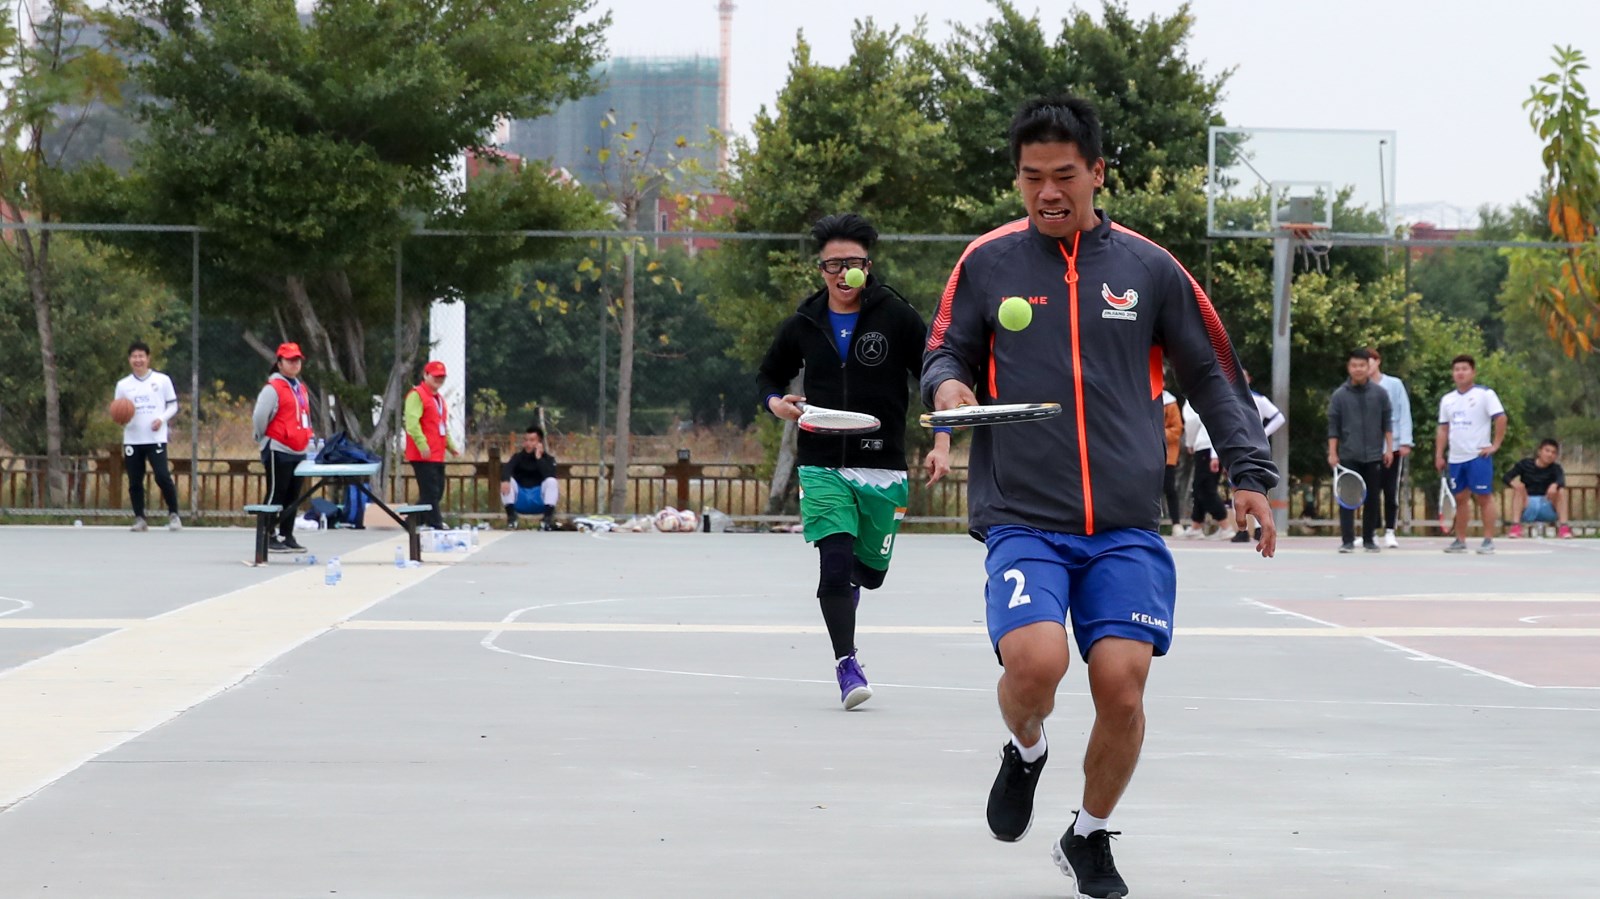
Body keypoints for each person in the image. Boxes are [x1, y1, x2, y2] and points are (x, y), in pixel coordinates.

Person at [920, 95, 1277, 899]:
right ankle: (1027, 748)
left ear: (1097, 173)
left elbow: (1214, 371)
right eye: (1031, 177)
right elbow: (945, 348)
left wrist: (1249, 474)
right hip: (1025, 517)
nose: (1047, 192)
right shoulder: (987, 262)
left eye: (1064, 175)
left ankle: (1088, 832)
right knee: (1036, 665)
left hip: (1123, 525)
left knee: (1122, 685)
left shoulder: (1149, 268)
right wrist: (947, 387)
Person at [757, 212, 952, 711]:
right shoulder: (804, 322)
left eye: (853, 264)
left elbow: (935, 378)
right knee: (833, 563)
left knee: (870, 572)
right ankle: (847, 665)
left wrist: (943, 441)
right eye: (832, 265)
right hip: (821, 461)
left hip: (882, 465)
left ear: (868, 266)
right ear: (820, 269)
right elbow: (769, 376)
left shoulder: (897, 317)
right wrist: (777, 404)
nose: (843, 274)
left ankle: (852, 587)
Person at [1435, 354, 1506, 554]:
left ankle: (1488, 540)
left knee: (1484, 497)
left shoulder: (1485, 395)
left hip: (1478, 456)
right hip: (1456, 457)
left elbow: (1501, 418)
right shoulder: (1447, 400)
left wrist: (1495, 445)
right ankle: (1460, 540)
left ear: (1473, 372)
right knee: (1460, 498)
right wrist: (1439, 454)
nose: (1460, 373)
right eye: (1457, 369)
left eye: (1464, 369)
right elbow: (1443, 429)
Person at [1327, 348, 1394, 553]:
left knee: (1372, 499)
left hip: (1374, 455)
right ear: (1349, 368)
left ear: (1369, 367)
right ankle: (1347, 540)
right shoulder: (1339, 395)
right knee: (1348, 498)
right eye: (1354, 365)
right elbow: (1333, 427)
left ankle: (1369, 539)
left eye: (1362, 365)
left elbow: (1387, 423)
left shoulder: (1380, 394)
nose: (1358, 369)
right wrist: (1333, 452)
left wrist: (1389, 449)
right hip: (1348, 455)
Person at [251, 342, 313, 553]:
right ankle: (268, 534)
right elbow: (260, 416)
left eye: (297, 360)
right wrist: (262, 436)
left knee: (293, 495)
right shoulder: (273, 388)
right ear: (279, 363)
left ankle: (287, 534)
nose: (295, 364)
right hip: (279, 447)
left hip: (298, 449)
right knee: (277, 492)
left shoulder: (300, 388)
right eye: (290, 360)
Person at [114, 341, 182, 532]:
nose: (138, 360)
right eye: (134, 357)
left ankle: (174, 514)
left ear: (148, 358)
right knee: (135, 480)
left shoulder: (162, 380)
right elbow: (118, 410)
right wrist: (121, 418)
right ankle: (140, 518)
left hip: (155, 438)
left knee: (162, 476)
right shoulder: (123, 385)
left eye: (141, 356)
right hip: (133, 439)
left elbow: (173, 405)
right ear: (129, 359)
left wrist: (161, 419)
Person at [404, 360, 461, 530]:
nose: (439, 380)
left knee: (437, 491)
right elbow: (412, 424)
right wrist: (422, 444)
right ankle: (436, 524)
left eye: (442, 377)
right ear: (425, 375)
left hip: (437, 453)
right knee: (430, 491)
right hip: (423, 454)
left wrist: (451, 446)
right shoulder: (416, 395)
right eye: (435, 376)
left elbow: (442, 426)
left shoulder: (439, 399)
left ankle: (413, 520)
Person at [1232, 368, 1285, 542]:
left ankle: (1257, 527)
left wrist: (1262, 433)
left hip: (1254, 448)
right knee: (1236, 487)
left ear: (1249, 379)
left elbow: (1279, 418)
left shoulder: (1258, 399)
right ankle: (1242, 528)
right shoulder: (1227, 399)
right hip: (1234, 447)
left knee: (1255, 486)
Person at [1367, 347, 1414, 547]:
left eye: (1369, 362)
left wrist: (1405, 441)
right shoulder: (1361, 387)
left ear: (1378, 361)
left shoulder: (1394, 384)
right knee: (1370, 491)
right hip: (1368, 448)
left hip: (1392, 446)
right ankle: (1370, 531)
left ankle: (1390, 530)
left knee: (1390, 489)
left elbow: (1404, 412)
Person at [1181, 399, 1232, 539]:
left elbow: (1191, 422)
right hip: (1216, 445)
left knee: (1204, 488)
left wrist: (1190, 442)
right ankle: (1196, 526)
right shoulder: (1218, 395)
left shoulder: (1194, 396)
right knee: (1200, 487)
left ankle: (1225, 525)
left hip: (1205, 445)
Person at [1504, 438, 1573, 539]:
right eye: (1547, 451)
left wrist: (1555, 485)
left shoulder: (1556, 468)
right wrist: (1514, 484)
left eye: (1553, 452)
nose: (1550, 454)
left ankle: (1564, 527)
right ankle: (1515, 527)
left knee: (1561, 490)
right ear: (1539, 451)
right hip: (1528, 505)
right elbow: (1506, 477)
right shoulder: (1525, 464)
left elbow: (1561, 481)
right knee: (1519, 488)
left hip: (1547, 505)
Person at [501, 424, 559, 530]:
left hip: (539, 500)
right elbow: (507, 469)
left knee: (551, 481)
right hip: (521, 499)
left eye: (532, 440)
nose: (528, 443)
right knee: (507, 481)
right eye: (526, 440)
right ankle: (512, 519)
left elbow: (549, 474)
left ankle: (546, 520)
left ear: (539, 443)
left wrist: (539, 458)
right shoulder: (517, 457)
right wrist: (505, 480)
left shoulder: (549, 459)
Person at [1161, 386, 1183, 536]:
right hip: (1145, 452)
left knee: (1169, 488)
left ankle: (1176, 523)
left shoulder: (1170, 402)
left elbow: (1177, 429)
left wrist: (1157, 432)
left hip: (1167, 454)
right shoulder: (1140, 397)